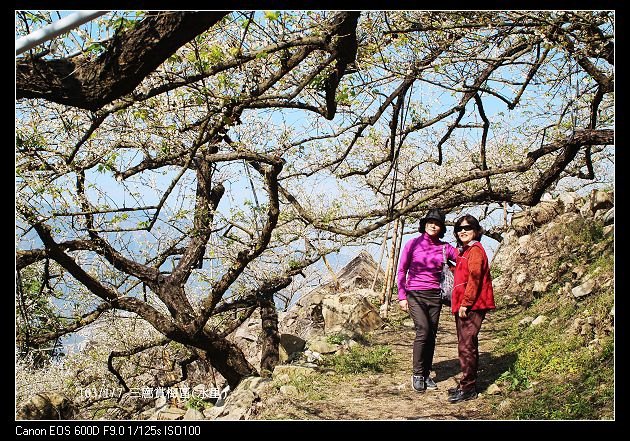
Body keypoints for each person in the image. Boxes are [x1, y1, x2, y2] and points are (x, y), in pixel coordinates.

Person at [397, 208, 457, 393]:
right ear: (424, 224)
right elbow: (401, 270)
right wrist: (401, 296)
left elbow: (463, 260)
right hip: (415, 294)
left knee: (431, 334)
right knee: (423, 330)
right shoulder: (412, 244)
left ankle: (426, 373)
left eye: (437, 223)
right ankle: (417, 373)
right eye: (430, 222)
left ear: (441, 227)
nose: (433, 225)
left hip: (435, 296)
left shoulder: (445, 247)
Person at [448, 214, 496, 403]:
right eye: (459, 229)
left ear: (476, 230)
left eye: (467, 228)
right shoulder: (466, 252)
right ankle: (466, 384)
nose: (463, 231)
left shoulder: (475, 250)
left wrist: (466, 303)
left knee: (466, 346)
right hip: (465, 304)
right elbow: (463, 274)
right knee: (467, 344)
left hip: (472, 305)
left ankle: (468, 388)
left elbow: (474, 279)